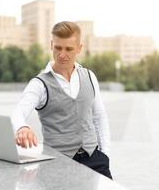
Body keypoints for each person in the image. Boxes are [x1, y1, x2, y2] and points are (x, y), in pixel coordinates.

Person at [11, 21, 112, 179]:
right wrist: (22, 128)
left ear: (79, 48)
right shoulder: (39, 84)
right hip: (58, 164)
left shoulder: (90, 76)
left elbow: (99, 117)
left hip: (95, 160)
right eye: (58, 47)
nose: (62, 54)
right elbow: (17, 112)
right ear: (51, 45)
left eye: (68, 49)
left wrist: (105, 155)